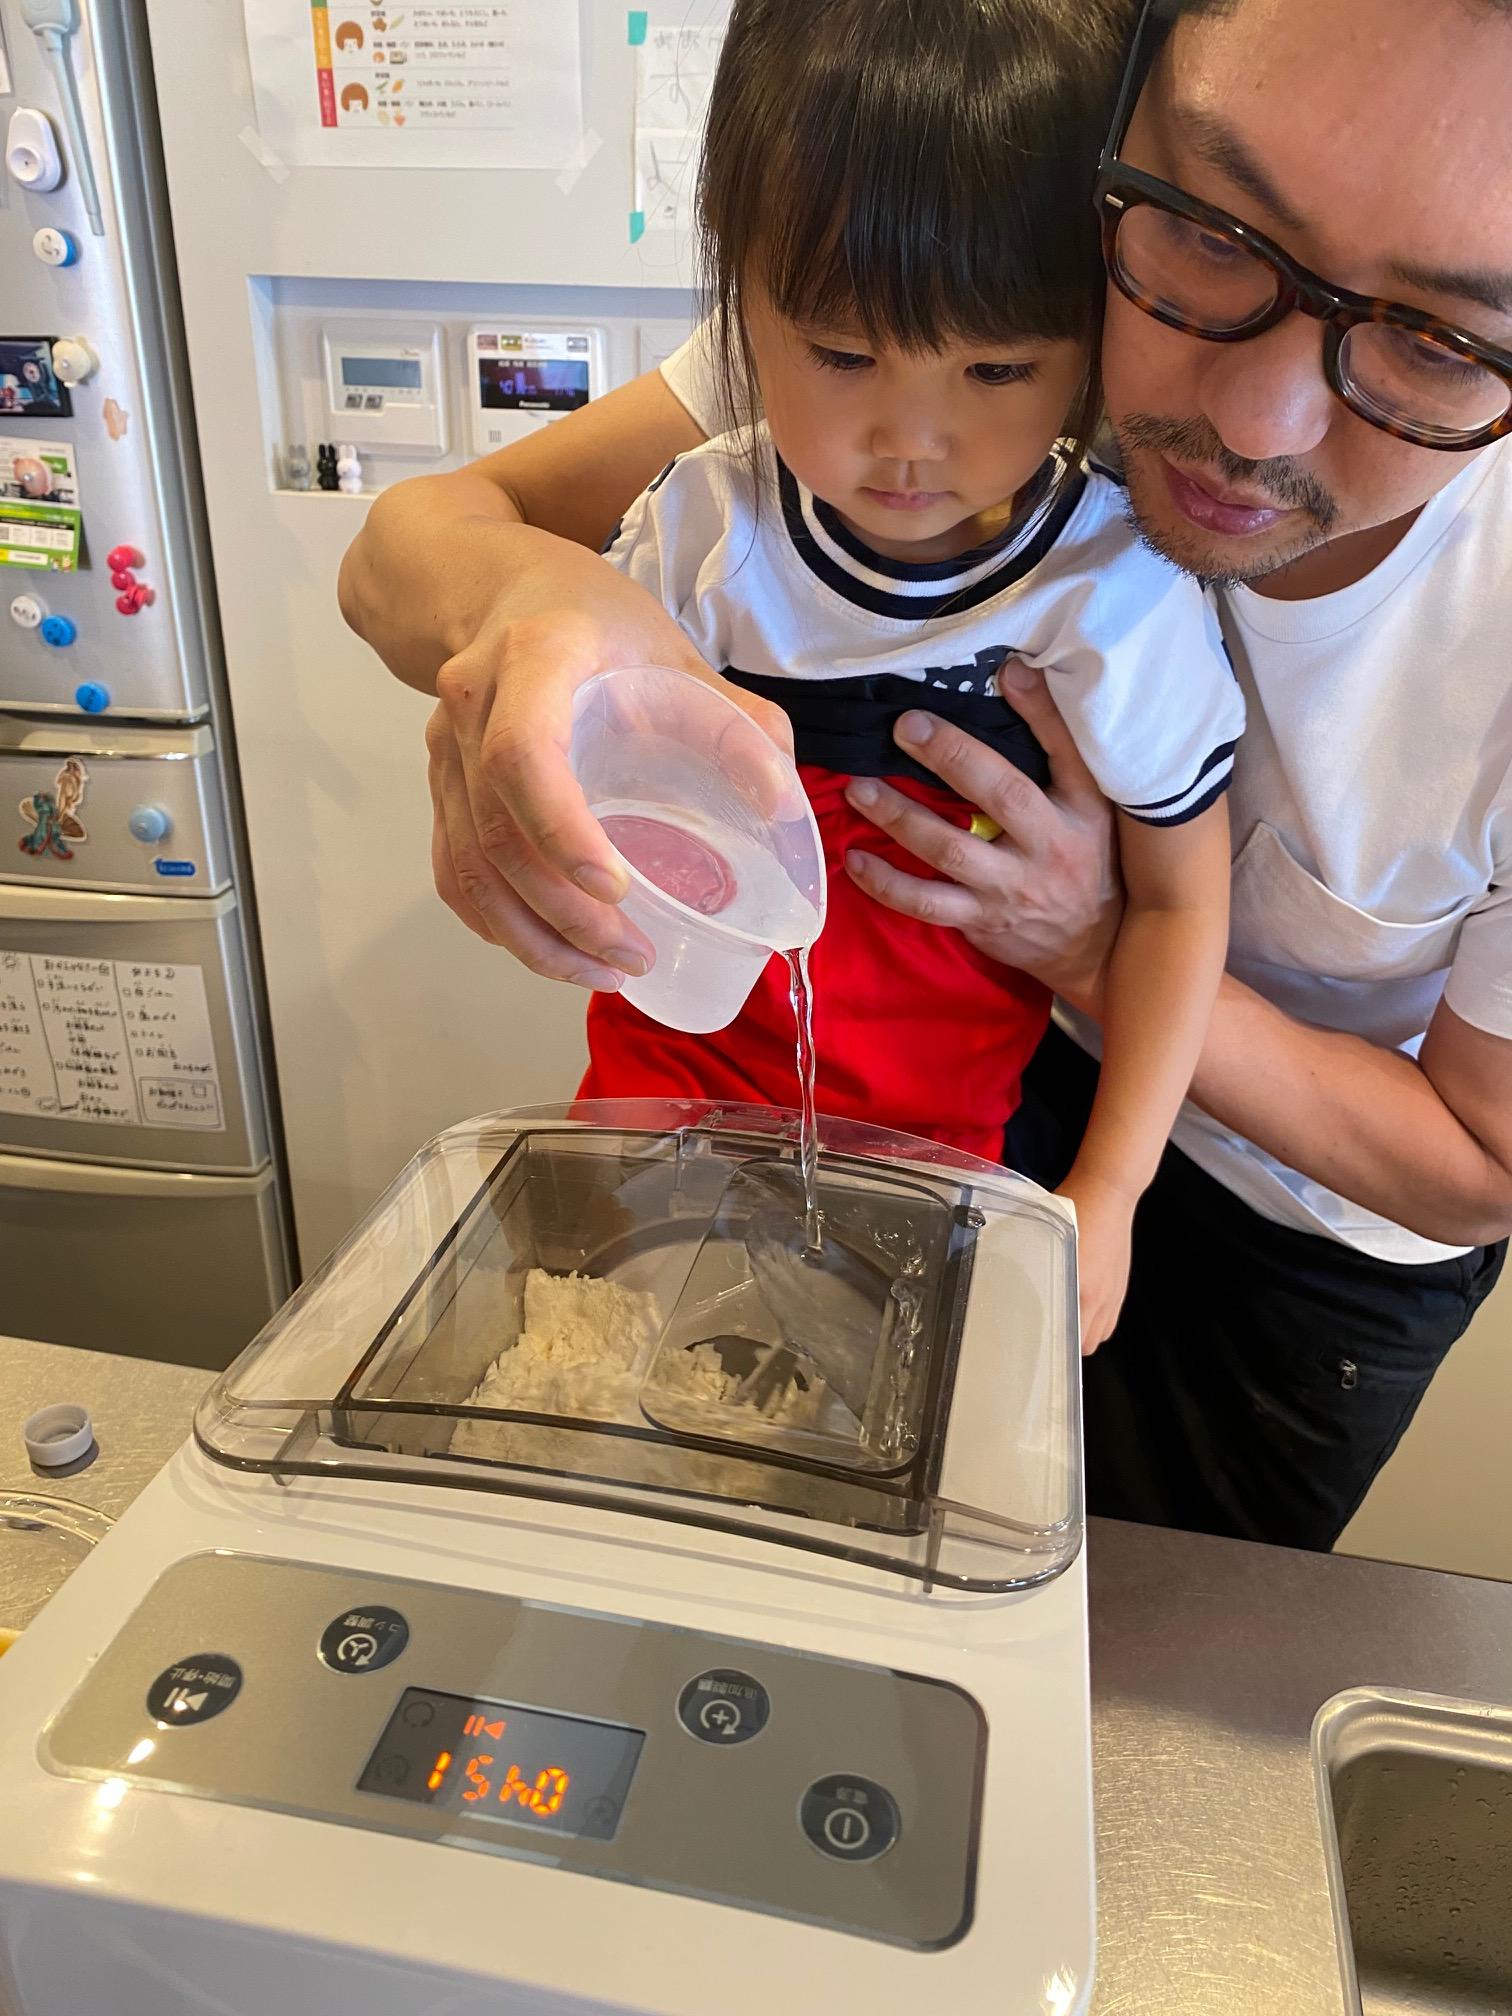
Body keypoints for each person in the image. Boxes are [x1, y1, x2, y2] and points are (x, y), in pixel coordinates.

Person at [340, 0, 1512, 1551]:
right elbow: (415, 546)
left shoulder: (1129, 571)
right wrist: (534, 617)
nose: (1254, 420)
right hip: (937, 1097)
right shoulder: (922, 280)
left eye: (1438, 339)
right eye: (1219, 236)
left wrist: (1093, 987)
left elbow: (1476, 1164)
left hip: (1303, 1236)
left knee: (1133, 1617)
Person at [579, 0, 1237, 1351]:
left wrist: (1109, 1190)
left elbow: (1180, 904)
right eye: (841, 355)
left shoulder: (1107, 592)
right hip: (668, 1085)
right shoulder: (702, 528)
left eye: (998, 368)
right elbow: (586, 770)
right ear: (740, 300)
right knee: (617, 1375)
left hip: (937, 1148)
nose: (912, 439)